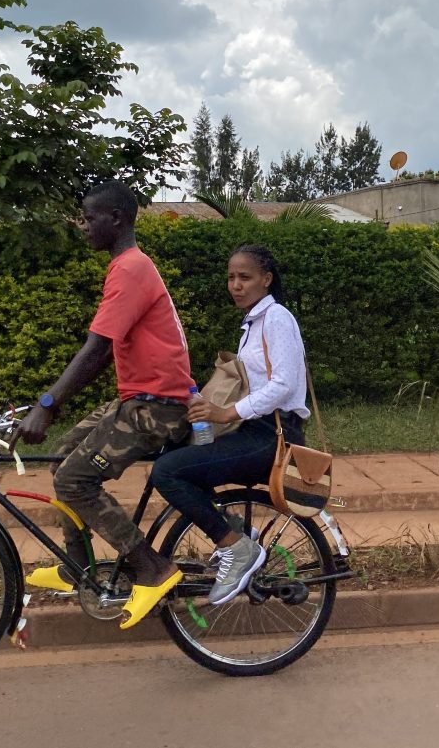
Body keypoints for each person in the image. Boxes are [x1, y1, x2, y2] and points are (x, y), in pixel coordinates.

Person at [16, 180, 194, 630]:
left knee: (76, 481)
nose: (83, 226)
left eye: (89, 218)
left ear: (115, 219)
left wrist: (48, 402)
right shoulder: (126, 267)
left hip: (158, 408)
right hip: (139, 399)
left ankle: (152, 568)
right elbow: (100, 352)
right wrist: (48, 404)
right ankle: (78, 567)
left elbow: (96, 349)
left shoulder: (131, 268)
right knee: (62, 461)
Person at [149, 244, 310, 605]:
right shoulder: (253, 323)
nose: (235, 285)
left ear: (266, 280)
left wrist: (226, 413)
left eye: (245, 277)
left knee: (168, 472)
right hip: (253, 430)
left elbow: (282, 385)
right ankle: (238, 533)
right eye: (231, 277)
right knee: (177, 454)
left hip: (273, 434)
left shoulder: (277, 318)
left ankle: (237, 549)